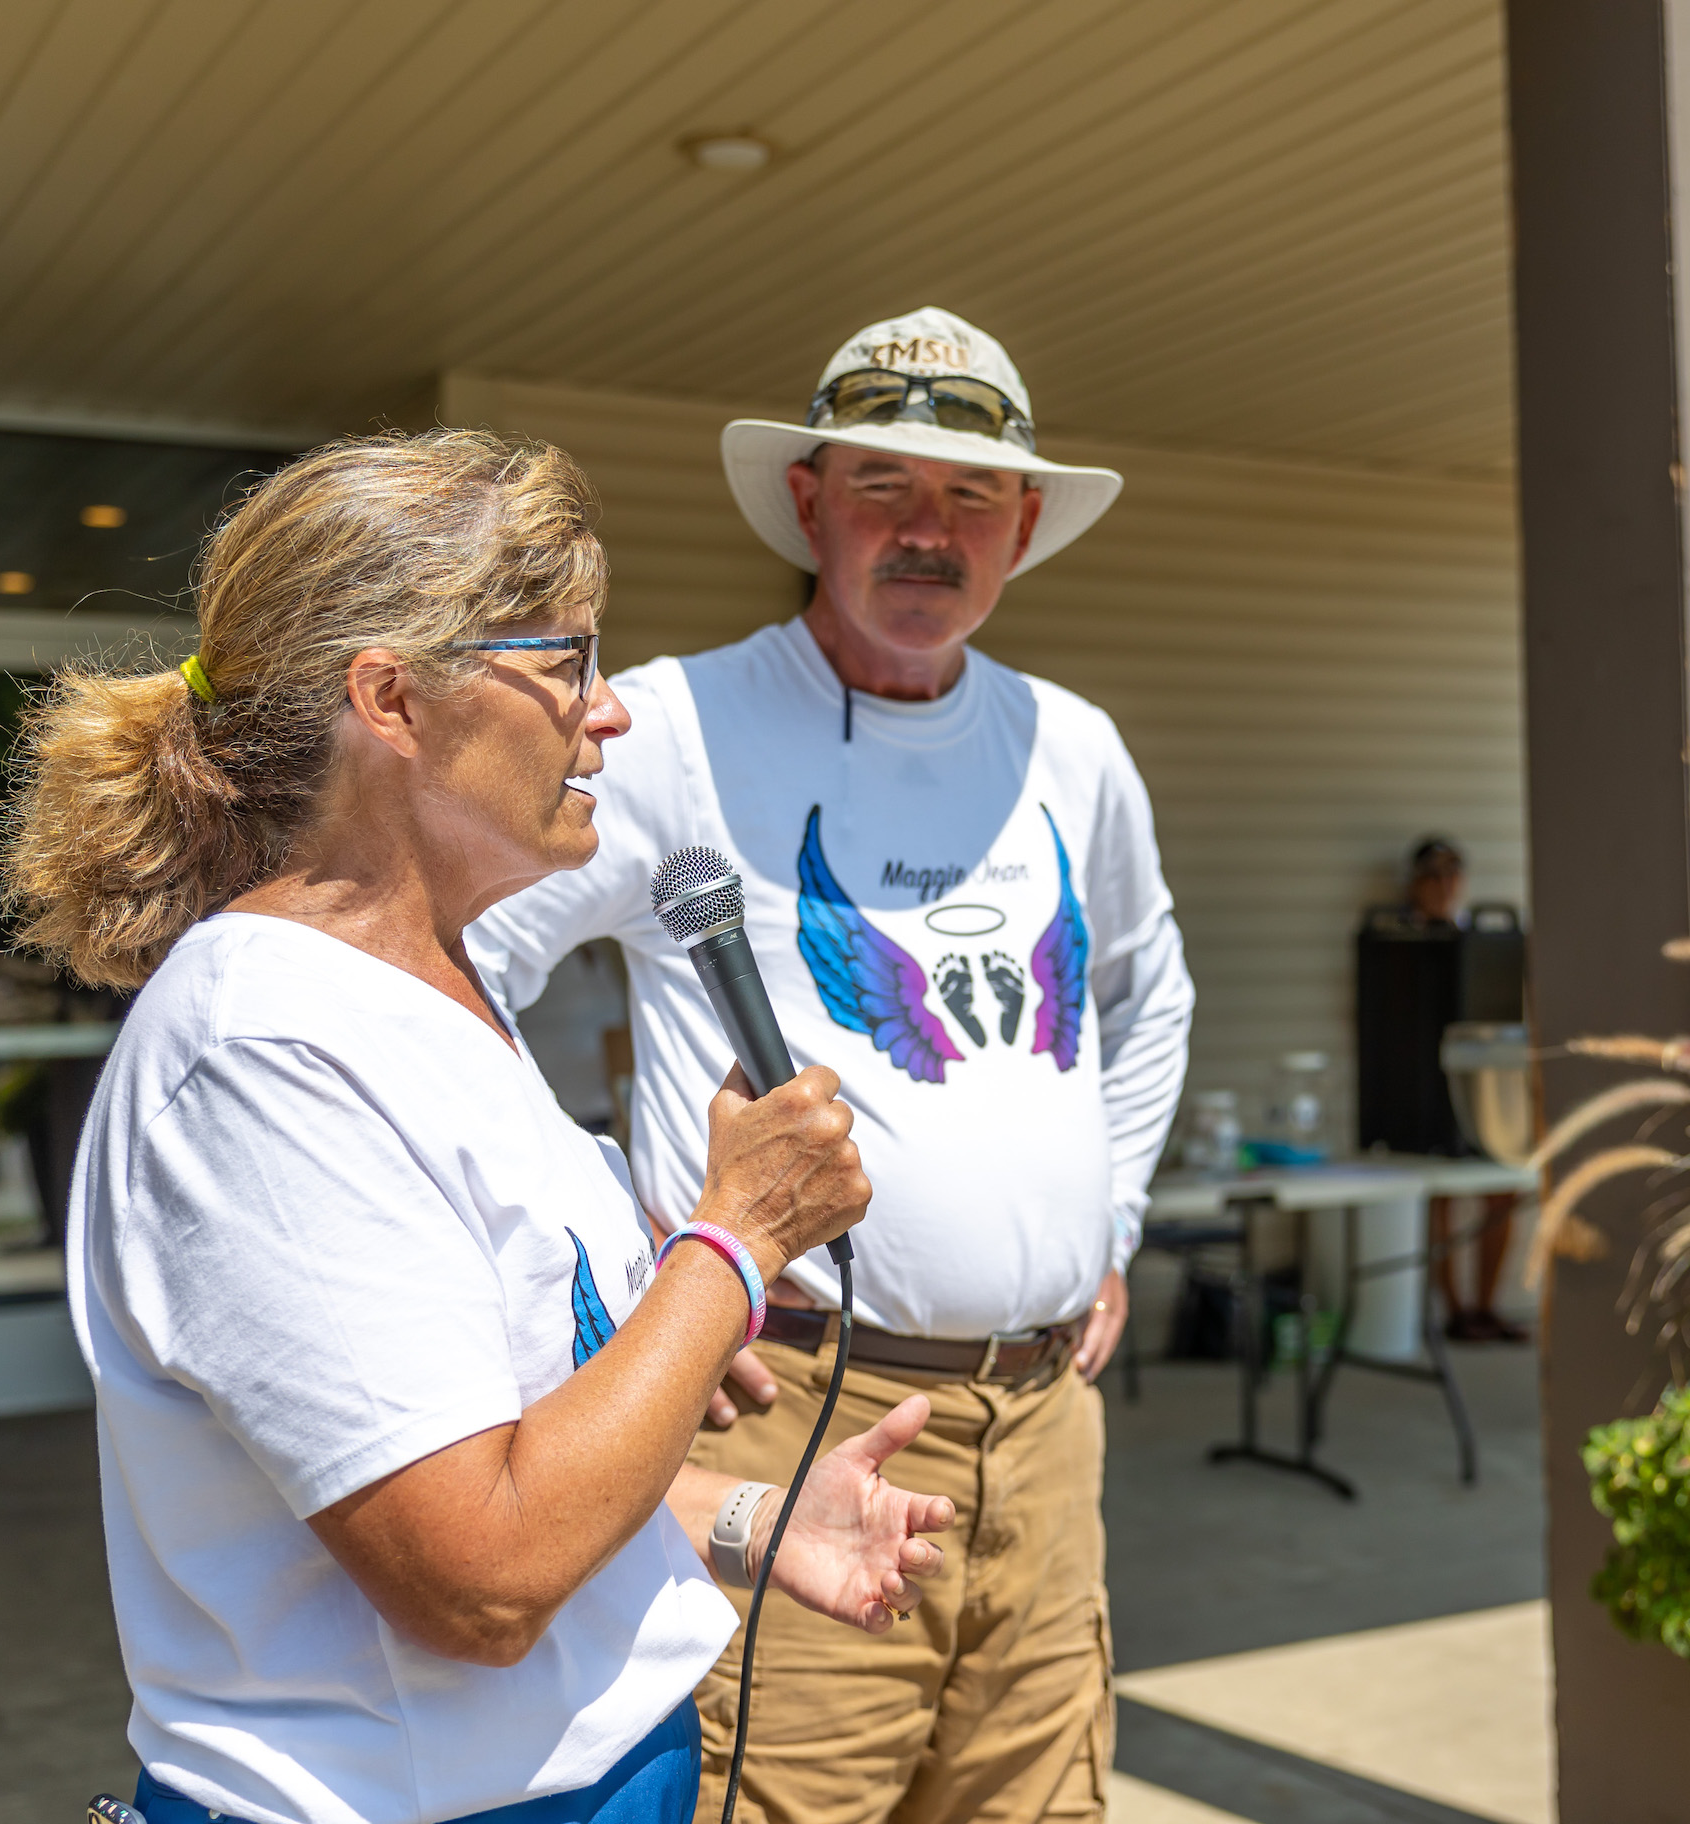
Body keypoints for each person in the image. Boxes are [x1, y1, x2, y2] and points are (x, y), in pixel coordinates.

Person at [0, 430, 955, 1824]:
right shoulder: (264, 1054)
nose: (609, 713)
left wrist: (754, 1514)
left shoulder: (434, 995)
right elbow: (480, 1576)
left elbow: (483, 1455)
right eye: (568, 661)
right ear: (391, 699)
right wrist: (733, 1246)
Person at [468, 307, 1195, 1824]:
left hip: (1048, 1424)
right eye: (883, 486)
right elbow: (464, 966)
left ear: (1024, 527)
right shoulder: (676, 727)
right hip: (797, 1408)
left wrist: (1114, 1223)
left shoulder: (1072, 745)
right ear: (809, 505)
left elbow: (1147, 994)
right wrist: (630, 1274)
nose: (929, 531)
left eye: (971, 495)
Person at [1357, 840, 1525, 1343]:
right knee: (1442, 1198)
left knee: (1503, 1191)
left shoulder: (1484, 937)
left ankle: (1487, 1306)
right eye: (1433, 875)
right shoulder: (1396, 940)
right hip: (1422, 1093)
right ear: (1415, 882)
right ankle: (1454, 1312)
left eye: (1453, 874)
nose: (1444, 885)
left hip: (1480, 1089)